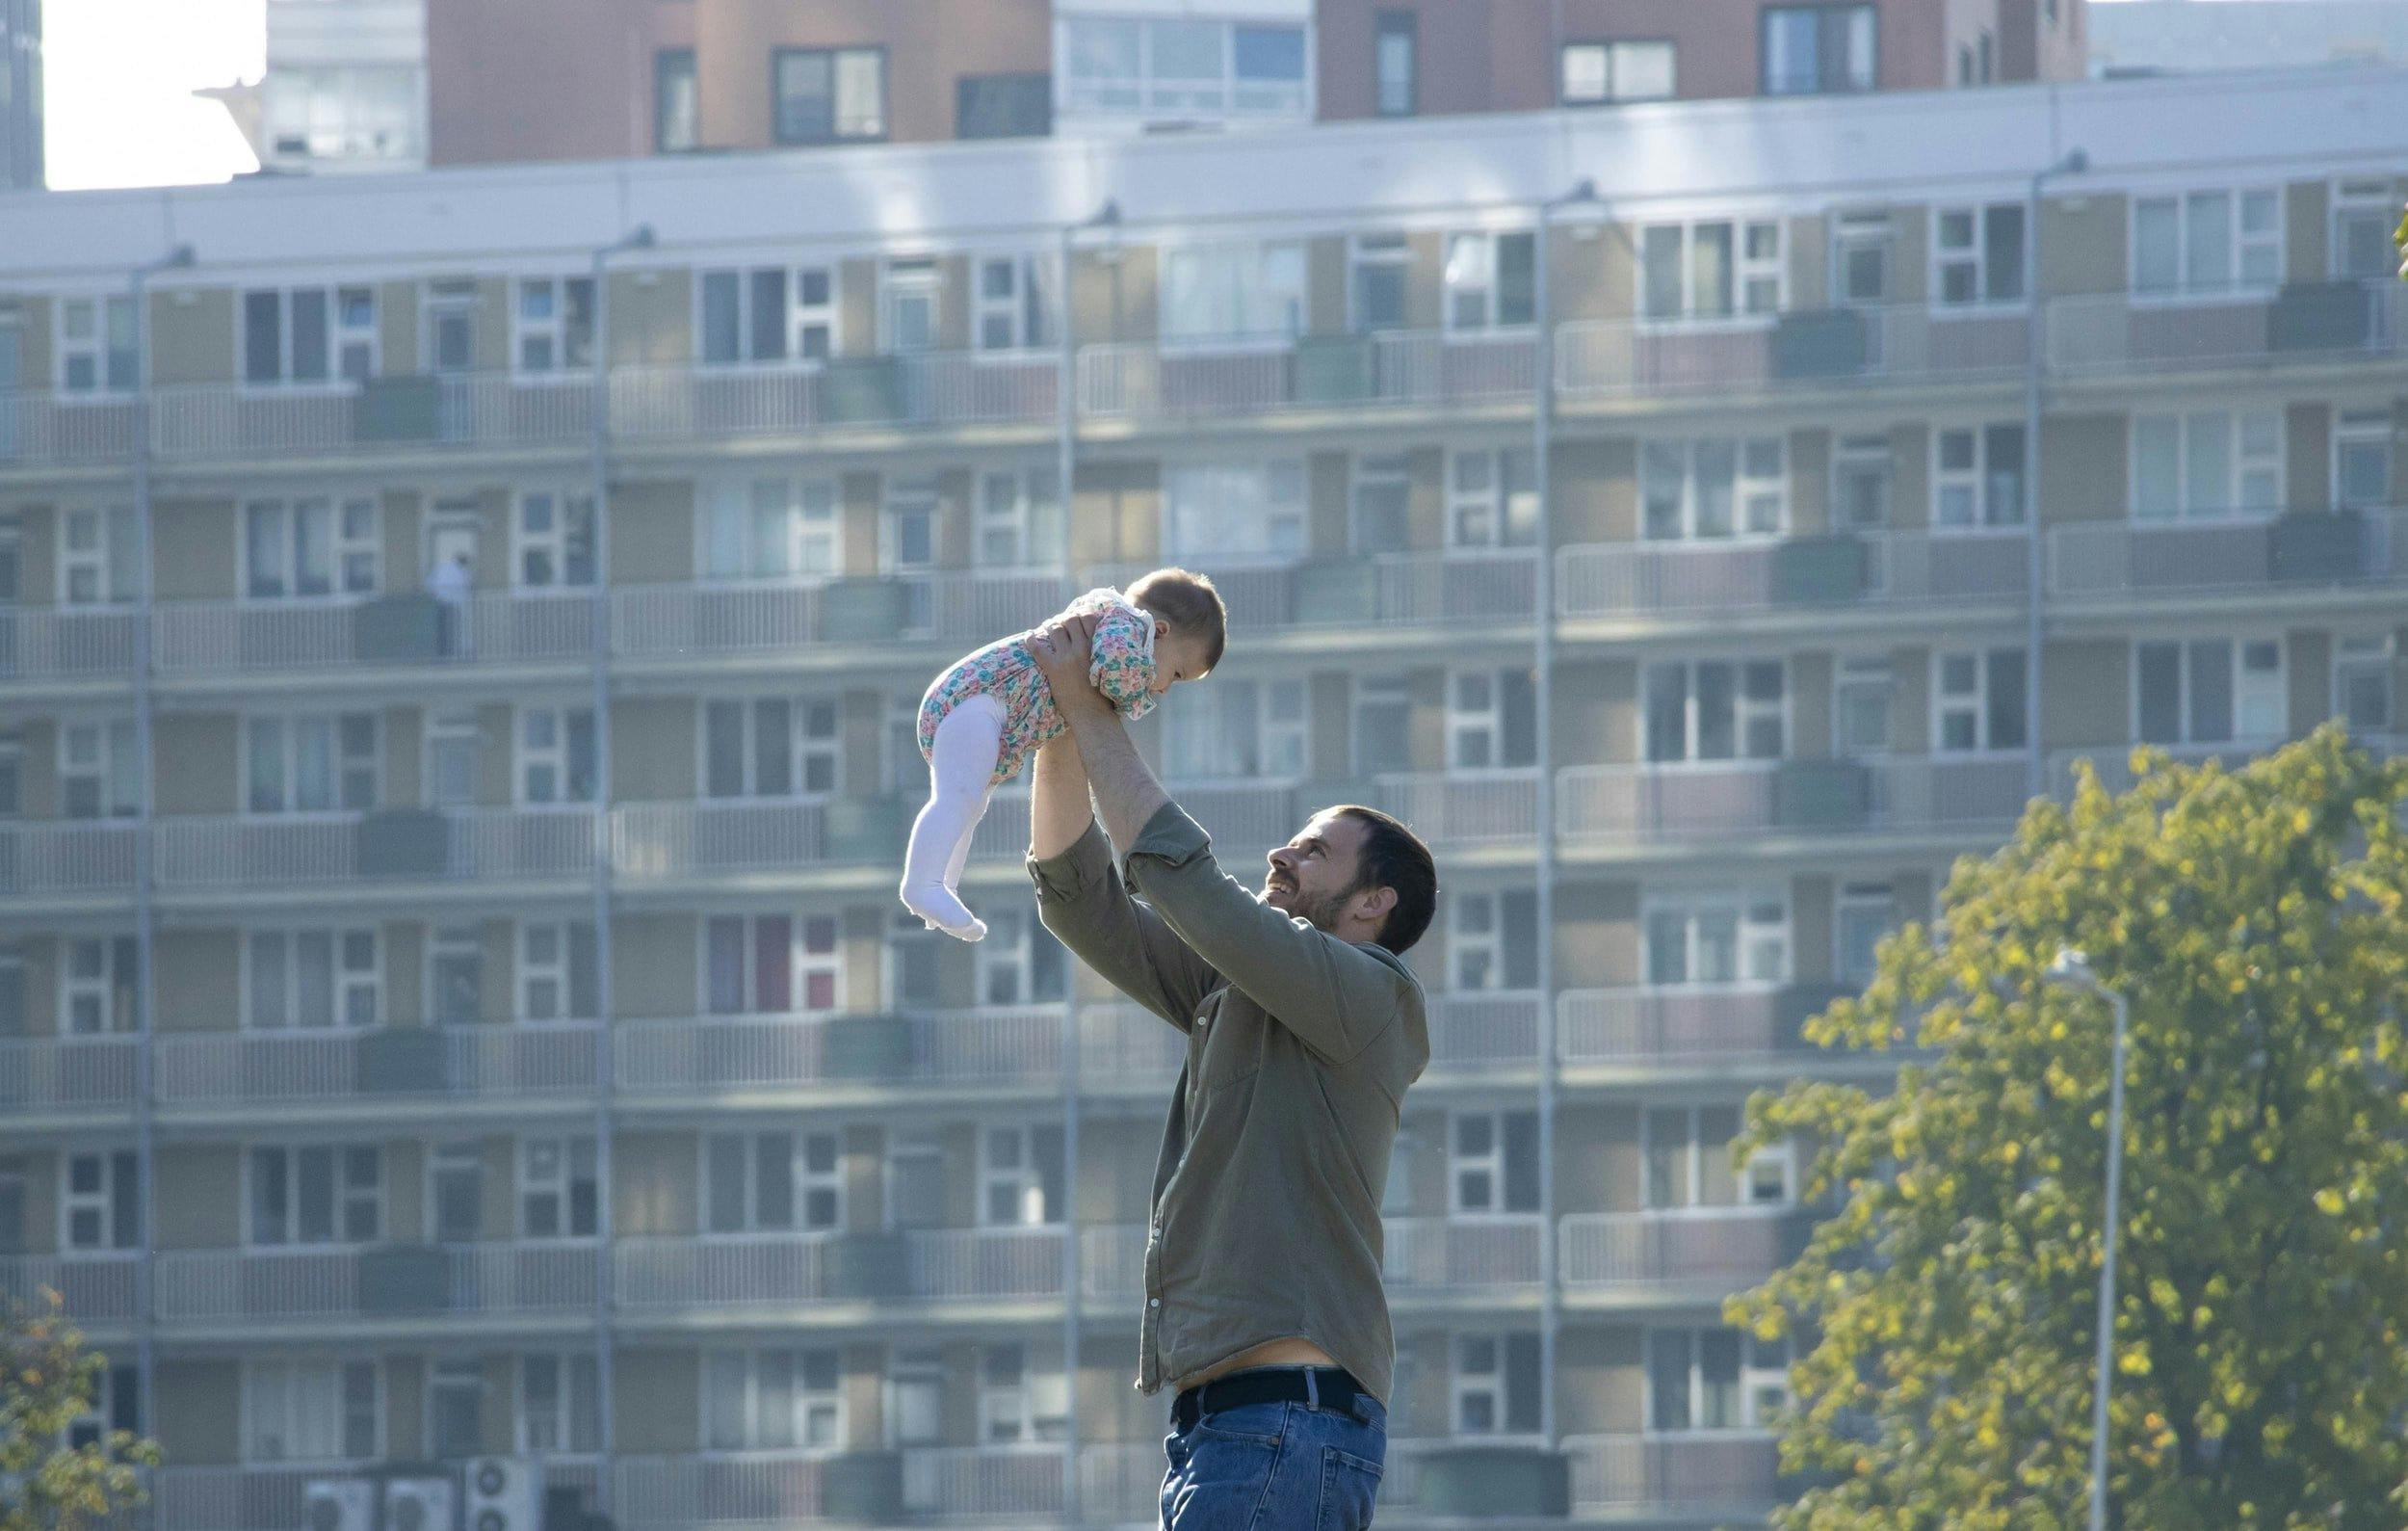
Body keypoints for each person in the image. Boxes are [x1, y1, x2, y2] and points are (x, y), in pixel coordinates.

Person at [1023, 609, 1437, 1531]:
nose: (1281, 856)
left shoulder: (1375, 1000)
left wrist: (1093, 710)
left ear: (1373, 903)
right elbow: (1081, 899)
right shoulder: (1239, 985)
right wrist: (1056, 725)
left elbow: (1188, 885)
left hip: (1287, 1422)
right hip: (1225, 1430)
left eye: (1314, 851)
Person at [900, 568, 1224, 941]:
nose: (1165, 688)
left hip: (988, 714)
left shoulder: (1114, 624)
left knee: (971, 807)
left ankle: (943, 885)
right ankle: (921, 885)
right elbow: (1114, 674)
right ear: (1161, 631)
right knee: (960, 798)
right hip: (979, 702)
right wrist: (1135, 695)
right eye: (1177, 673)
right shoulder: (1126, 624)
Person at [427, 548, 471, 657]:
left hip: (441, 603)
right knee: (454, 629)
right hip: (454, 605)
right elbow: (467, 587)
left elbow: (429, 582)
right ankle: (451, 651)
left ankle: (445, 651)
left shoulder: (443, 567)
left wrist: (435, 595)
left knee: (444, 629)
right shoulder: (464, 572)